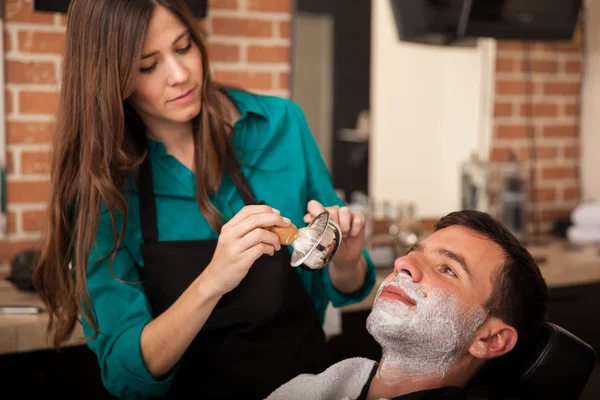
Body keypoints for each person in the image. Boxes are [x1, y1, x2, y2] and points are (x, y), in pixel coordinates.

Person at [32, 0, 376, 399]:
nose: (180, 75)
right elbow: (125, 374)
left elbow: (340, 283)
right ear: (109, 78)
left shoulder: (280, 125)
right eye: (147, 65)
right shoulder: (103, 188)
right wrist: (213, 281)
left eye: (183, 47)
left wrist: (346, 260)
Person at [267, 209, 549, 400]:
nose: (403, 264)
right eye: (412, 253)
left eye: (448, 269)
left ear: (490, 339)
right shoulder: (312, 389)